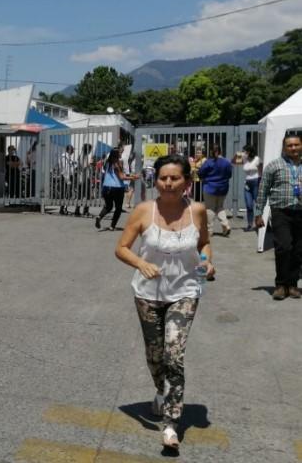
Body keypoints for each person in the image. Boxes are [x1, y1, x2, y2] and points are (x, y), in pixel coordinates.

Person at [115, 155, 214, 450]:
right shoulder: (144, 210)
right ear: (155, 180)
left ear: (187, 181)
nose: (168, 183)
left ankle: (171, 423)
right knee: (155, 355)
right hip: (147, 293)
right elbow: (121, 248)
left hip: (185, 291)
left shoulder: (197, 211)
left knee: (174, 355)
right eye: (163, 178)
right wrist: (140, 264)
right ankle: (161, 391)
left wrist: (207, 262)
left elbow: (204, 244)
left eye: (175, 178)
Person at [254, 134, 302, 300]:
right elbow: (263, 189)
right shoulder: (274, 165)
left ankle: (293, 285)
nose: (293, 148)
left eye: (296, 145)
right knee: (284, 247)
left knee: (298, 250)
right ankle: (281, 285)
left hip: (300, 212)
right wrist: (258, 213)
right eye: (290, 145)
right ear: (284, 147)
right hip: (281, 212)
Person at [95, 149, 135, 230]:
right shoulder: (116, 164)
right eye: (120, 152)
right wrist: (133, 177)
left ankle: (99, 216)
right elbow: (121, 177)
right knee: (118, 208)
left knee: (108, 206)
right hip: (117, 188)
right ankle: (112, 226)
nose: (121, 153)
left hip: (106, 187)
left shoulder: (107, 163)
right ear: (116, 155)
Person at [197, 145, 232, 236]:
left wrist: (203, 177)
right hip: (223, 188)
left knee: (210, 208)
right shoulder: (226, 162)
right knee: (220, 207)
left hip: (210, 187)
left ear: (211, 151)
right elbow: (229, 175)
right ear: (221, 151)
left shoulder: (209, 162)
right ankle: (225, 225)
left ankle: (209, 230)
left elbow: (200, 173)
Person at [241, 144, 261, 232]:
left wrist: (260, 183)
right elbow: (233, 161)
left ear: (249, 152)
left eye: (244, 151)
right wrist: (238, 155)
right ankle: (249, 224)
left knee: (258, 204)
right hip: (247, 183)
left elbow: (261, 171)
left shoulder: (257, 159)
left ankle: (260, 222)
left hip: (256, 182)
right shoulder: (244, 159)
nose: (243, 153)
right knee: (249, 205)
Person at [58, 145, 78, 215]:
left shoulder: (68, 157)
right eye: (72, 150)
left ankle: (63, 208)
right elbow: (64, 169)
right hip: (66, 177)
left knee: (66, 194)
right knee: (66, 194)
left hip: (68, 177)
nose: (73, 151)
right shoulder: (64, 157)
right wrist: (68, 180)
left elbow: (71, 166)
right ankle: (63, 208)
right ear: (69, 150)